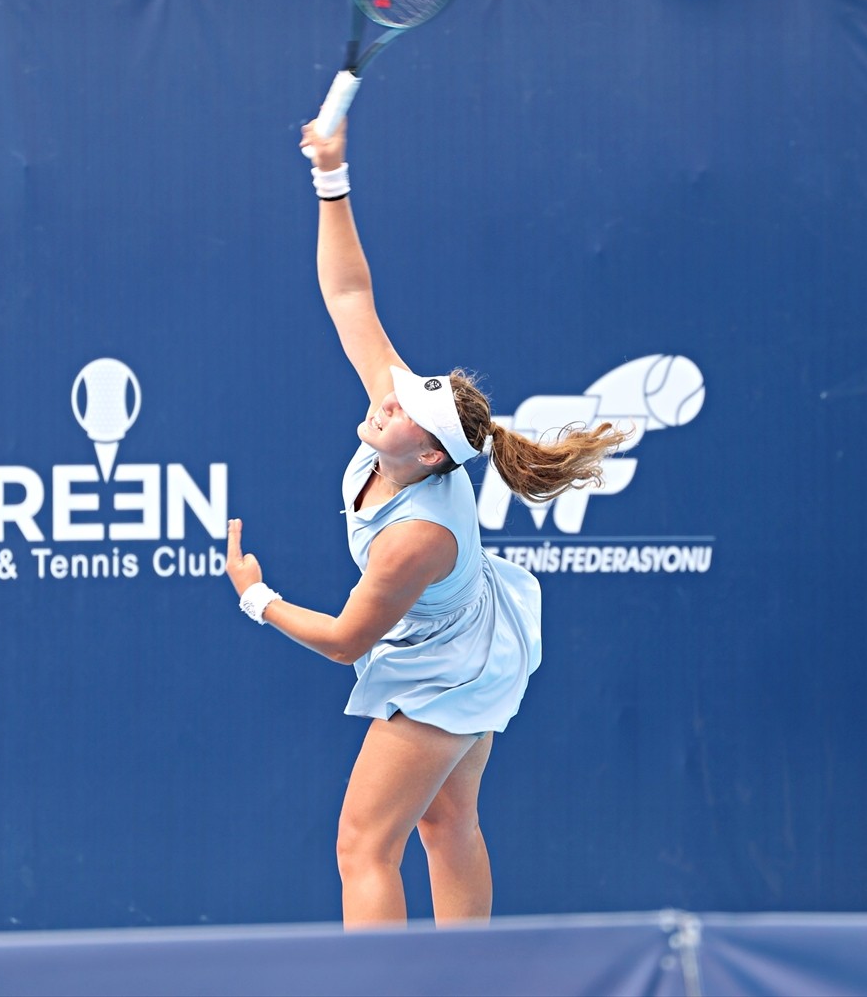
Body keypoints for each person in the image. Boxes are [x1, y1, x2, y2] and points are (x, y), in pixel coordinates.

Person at [225, 118, 628, 928]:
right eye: (394, 391)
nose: (384, 396)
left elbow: (345, 641)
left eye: (403, 406)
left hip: (451, 669)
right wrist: (330, 179)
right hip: (471, 636)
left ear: (433, 458)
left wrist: (256, 597)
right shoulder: (401, 423)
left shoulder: (418, 537)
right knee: (446, 823)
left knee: (362, 845)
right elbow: (348, 294)